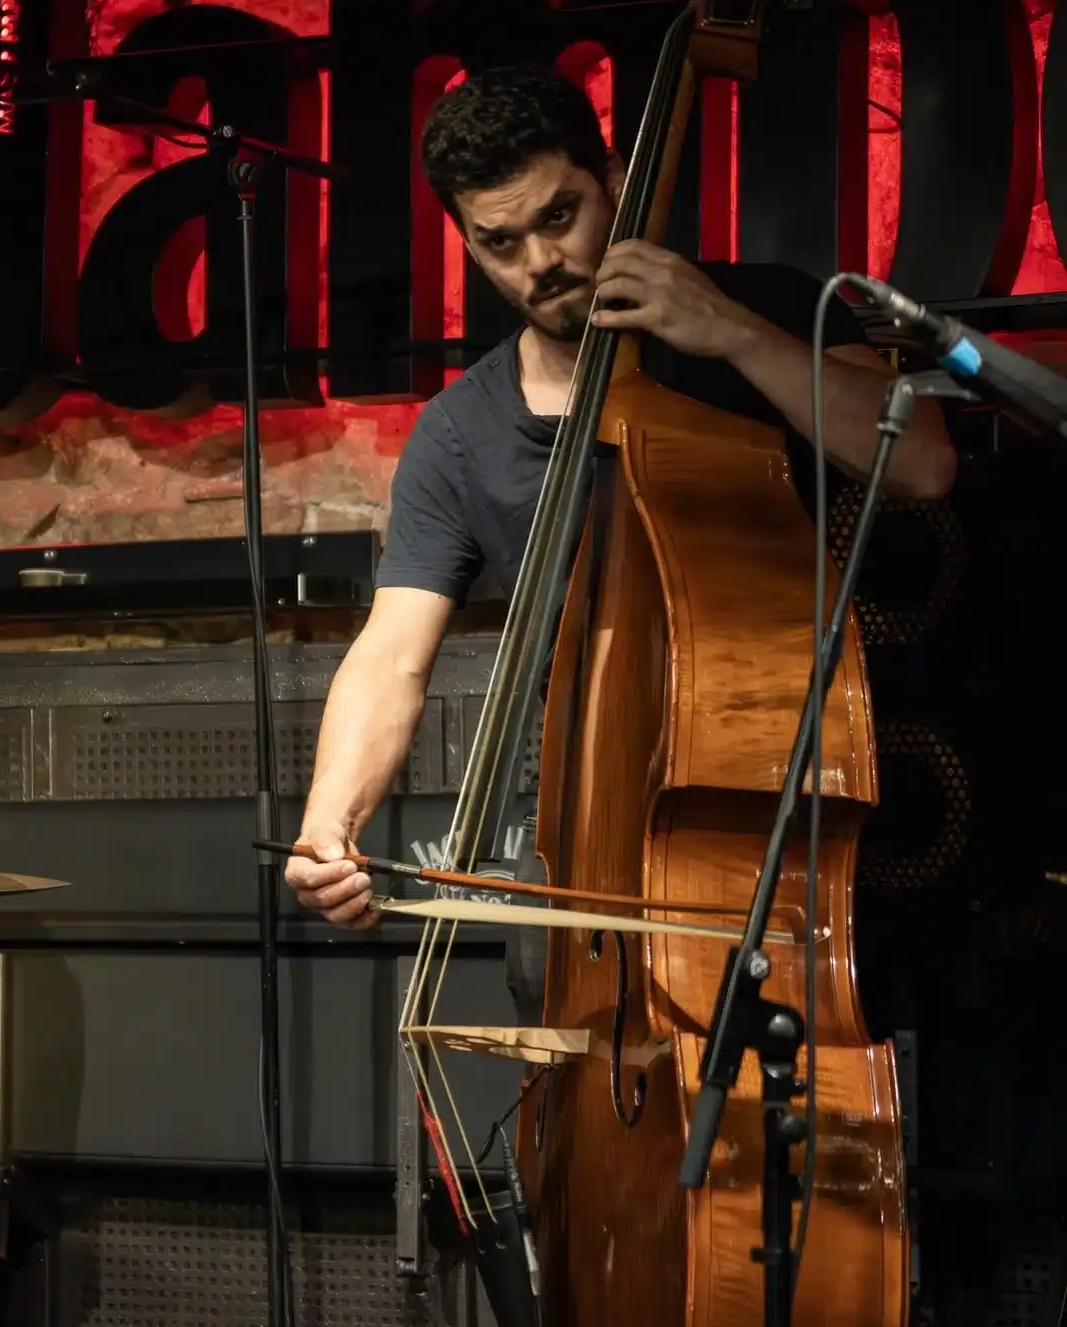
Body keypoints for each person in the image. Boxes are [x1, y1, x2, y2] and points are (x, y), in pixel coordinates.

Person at [286, 64, 959, 960]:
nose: (540, 263)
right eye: (500, 243)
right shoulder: (458, 432)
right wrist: (328, 825)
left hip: (814, 811)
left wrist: (732, 333)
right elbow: (391, 657)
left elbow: (922, 464)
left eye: (559, 216)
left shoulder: (768, 308)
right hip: (591, 846)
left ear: (611, 180)